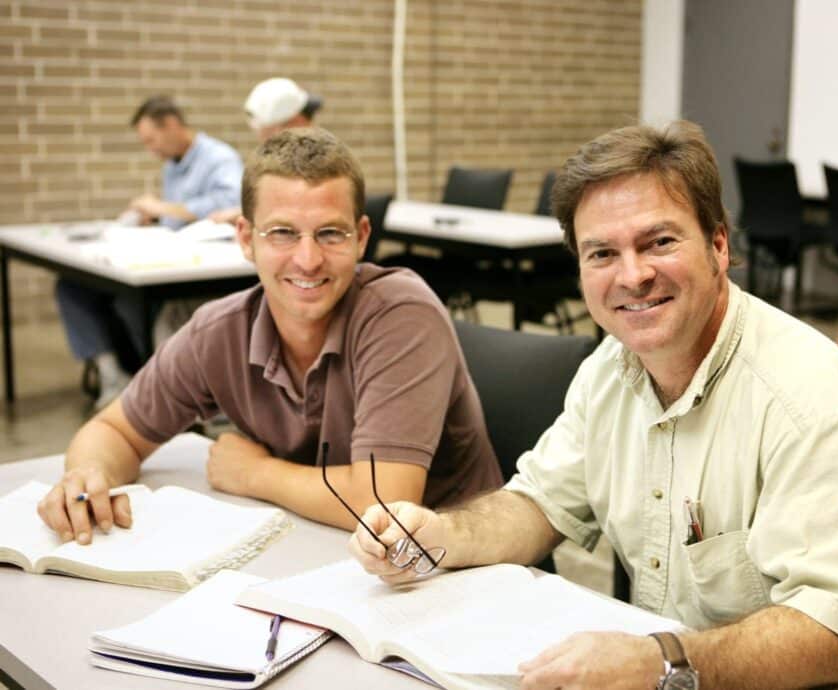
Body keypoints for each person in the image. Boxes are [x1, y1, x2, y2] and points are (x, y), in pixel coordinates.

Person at [348, 121, 838, 690]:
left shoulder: (808, 395)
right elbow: (539, 505)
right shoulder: (610, 369)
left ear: (718, 245)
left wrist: (662, 663)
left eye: (659, 242)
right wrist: (437, 533)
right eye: (602, 253)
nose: (633, 275)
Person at [38, 128, 502, 549]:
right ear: (245, 238)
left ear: (361, 238)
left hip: (455, 570)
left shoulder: (400, 314)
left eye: (330, 234)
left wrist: (254, 474)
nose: (307, 259)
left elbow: (383, 503)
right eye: (282, 233)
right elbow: (113, 430)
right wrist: (89, 475)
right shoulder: (219, 331)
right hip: (320, 549)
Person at [56, 96, 244, 407]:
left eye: (151, 140)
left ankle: (164, 386)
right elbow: (178, 214)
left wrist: (163, 207)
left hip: (201, 264)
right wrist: (156, 216)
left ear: (171, 125)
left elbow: (230, 206)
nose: (150, 149)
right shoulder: (172, 165)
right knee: (73, 286)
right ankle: (114, 375)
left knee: (131, 298)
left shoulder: (219, 157)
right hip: (170, 251)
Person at [208, 78, 324, 225]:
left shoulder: (319, 159)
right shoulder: (280, 160)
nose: (262, 138)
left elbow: (300, 207)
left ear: (296, 121)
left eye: (264, 131)